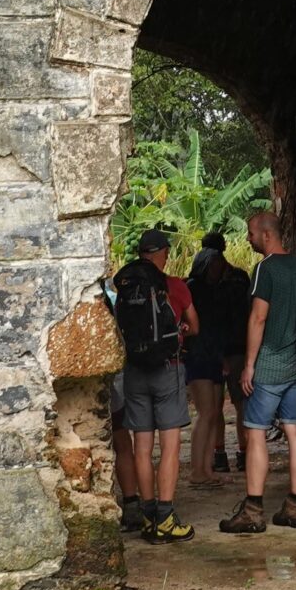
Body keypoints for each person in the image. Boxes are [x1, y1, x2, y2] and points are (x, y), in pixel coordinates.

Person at [220, 210, 296, 533]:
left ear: (266, 234)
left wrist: (248, 365)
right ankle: (295, 506)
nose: (248, 238)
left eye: (251, 233)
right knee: (295, 431)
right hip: (294, 363)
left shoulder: (264, 269)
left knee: (255, 432)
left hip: (269, 365)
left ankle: (254, 510)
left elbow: (258, 318)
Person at [111, 227, 199, 541]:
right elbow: (195, 326)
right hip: (167, 369)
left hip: (135, 372)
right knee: (170, 445)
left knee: (142, 447)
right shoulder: (174, 286)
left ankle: (147, 515)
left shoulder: (124, 286)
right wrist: (181, 328)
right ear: (162, 253)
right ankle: (165, 515)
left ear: (140, 254)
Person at [183, 233, 250, 488]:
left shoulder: (217, 288)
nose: (217, 269)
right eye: (213, 266)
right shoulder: (194, 289)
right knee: (207, 413)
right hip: (200, 355)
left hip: (213, 355)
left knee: (211, 414)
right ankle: (198, 470)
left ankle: (207, 468)